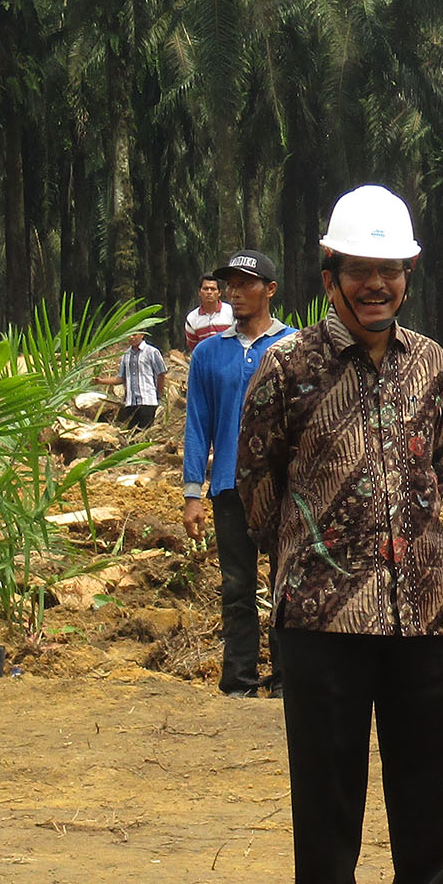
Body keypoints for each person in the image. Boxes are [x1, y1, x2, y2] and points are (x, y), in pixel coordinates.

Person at [237, 186, 443, 884]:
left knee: (426, 765)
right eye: (361, 271)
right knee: (325, 769)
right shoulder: (288, 367)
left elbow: (442, 465)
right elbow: (256, 482)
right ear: (331, 272)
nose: (378, 285)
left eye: (392, 270)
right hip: (321, 609)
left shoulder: (433, 365)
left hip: (424, 606)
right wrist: (315, 552)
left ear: (408, 275)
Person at [183, 250, 293, 697]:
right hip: (229, 487)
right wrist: (193, 492)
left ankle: (287, 677)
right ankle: (240, 679)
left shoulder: (293, 347)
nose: (235, 292)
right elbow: (197, 424)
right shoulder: (209, 354)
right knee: (236, 586)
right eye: (230, 284)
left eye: (246, 284)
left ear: (269, 290)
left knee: (286, 583)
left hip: (285, 490)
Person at [98, 330, 167, 431]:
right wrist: (101, 381)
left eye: (134, 334)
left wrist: (158, 394)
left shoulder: (151, 352)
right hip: (131, 403)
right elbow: (121, 378)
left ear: (142, 335)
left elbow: (161, 374)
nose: (131, 337)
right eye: (129, 334)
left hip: (147, 401)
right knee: (131, 435)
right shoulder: (126, 355)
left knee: (144, 433)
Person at [184, 274, 234, 352]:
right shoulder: (192, 318)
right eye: (206, 289)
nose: (209, 292)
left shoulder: (231, 312)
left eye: (213, 289)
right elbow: (194, 348)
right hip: (205, 362)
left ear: (219, 292)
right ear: (199, 292)